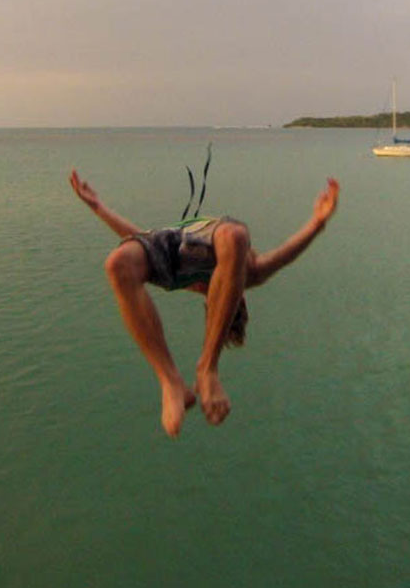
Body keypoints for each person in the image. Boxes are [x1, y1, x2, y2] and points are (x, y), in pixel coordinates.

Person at [69, 169, 339, 437]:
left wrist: (98, 207)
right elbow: (285, 254)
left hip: (175, 251)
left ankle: (174, 378)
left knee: (118, 264)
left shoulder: (187, 279)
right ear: (235, 293)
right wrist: (317, 222)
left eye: (211, 296)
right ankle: (191, 375)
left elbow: (142, 241)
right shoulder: (249, 272)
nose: (209, 291)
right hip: (210, 239)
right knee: (235, 237)